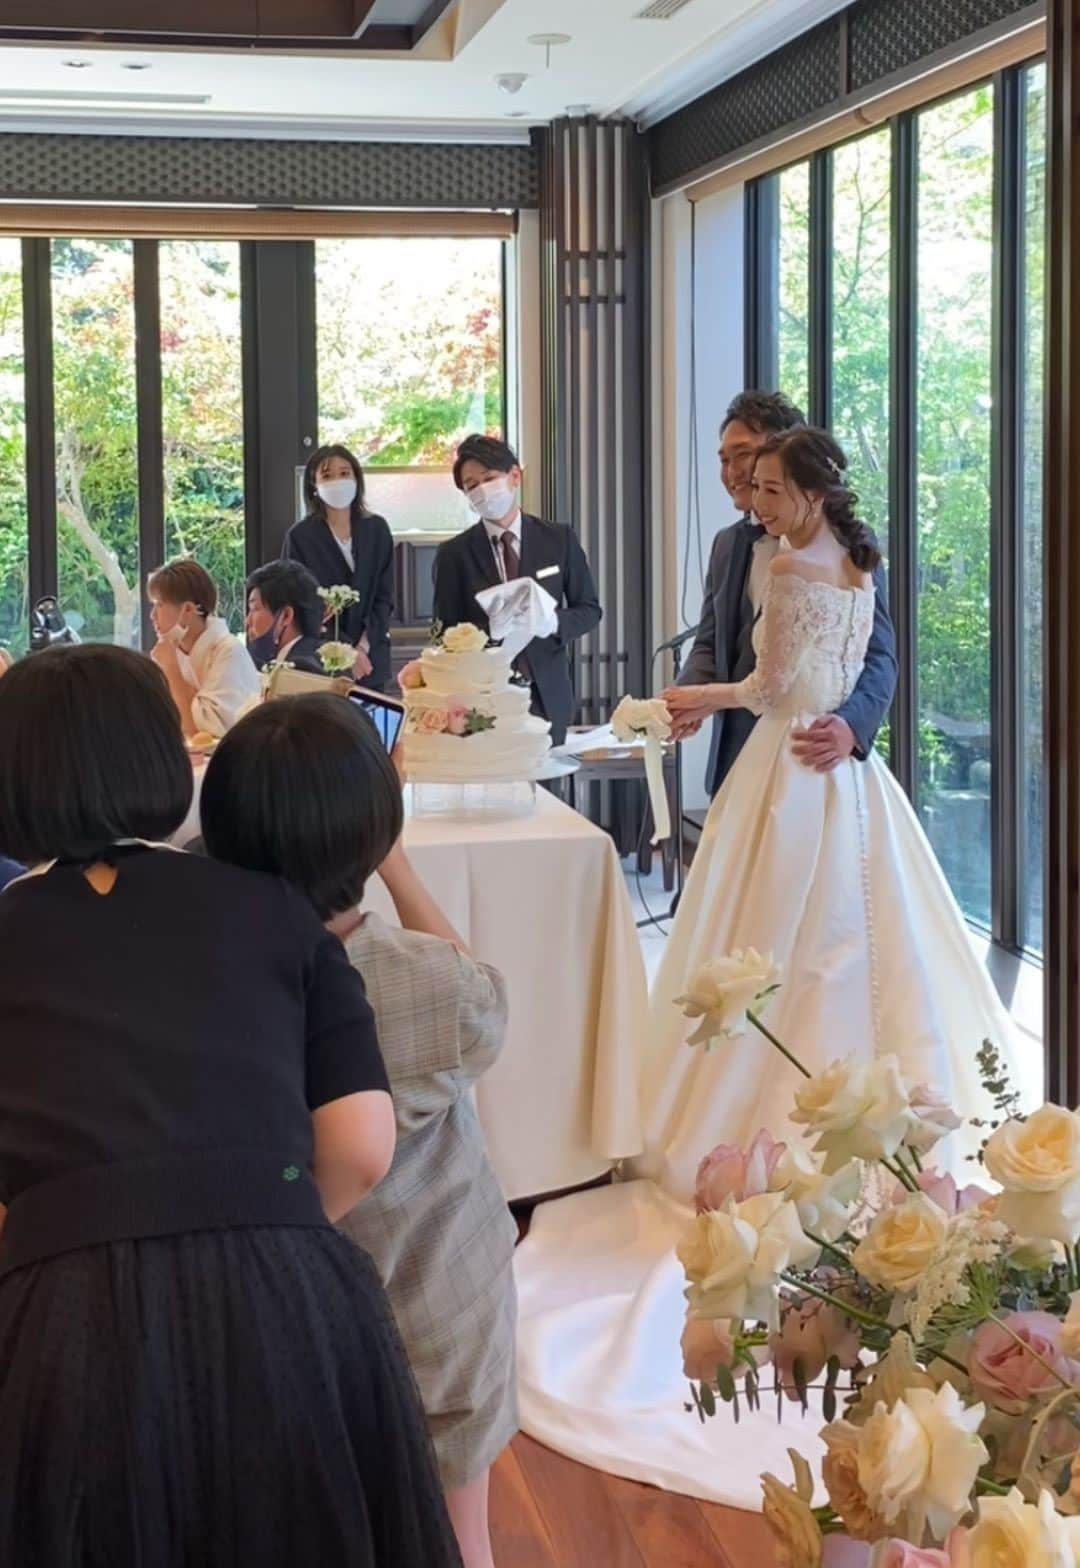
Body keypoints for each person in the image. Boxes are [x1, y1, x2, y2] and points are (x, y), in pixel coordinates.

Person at [511, 427, 1025, 1503]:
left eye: (768, 483)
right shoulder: (854, 556)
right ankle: (884, 1119)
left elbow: (781, 681)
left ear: (803, 488)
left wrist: (704, 700)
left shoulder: (794, 562)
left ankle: (773, 1117)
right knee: (844, 942)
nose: (753, 499)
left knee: (777, 942)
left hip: (794, 772)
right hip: (847, 793)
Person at [0, 645, 463, 1567]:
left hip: (62, 1310)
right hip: (285, 1286)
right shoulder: (271, 909)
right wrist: (269, 1218)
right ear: (169, 762)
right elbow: (363, 1145)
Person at [201, 695, 517, 1568]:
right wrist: (403, 871)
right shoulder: (428, 984)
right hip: (440, 1308)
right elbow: (483, 998)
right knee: (461, 1537)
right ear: (377, 829)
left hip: (283, 1319)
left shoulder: (209, 978)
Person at [667, 389, 897, 788]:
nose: (733, 472)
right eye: (723, 459)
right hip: (740, 758)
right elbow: (710, 641)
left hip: (814, 754)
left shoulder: (851, 546)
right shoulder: (727, 544)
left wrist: (851, 726)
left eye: (744, 454)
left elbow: (879, 654)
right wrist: (687, 701)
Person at [432, 434, 601, 745]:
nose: (481, 490)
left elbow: (589, 610)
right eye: (471, 485)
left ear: (514, 476)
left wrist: (551, 622)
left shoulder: (558, 539)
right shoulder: (453, 554)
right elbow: (445, 632)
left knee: (546, 789)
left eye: (489, 478)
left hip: (547, 693)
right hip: (484, 698)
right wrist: (487, 632)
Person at [283, 445, 395, 688]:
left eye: (345, 473)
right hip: (323, 659)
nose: (337, 481)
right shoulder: (300, 537)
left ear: (357, 478)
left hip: (372, 657)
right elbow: (302, 603)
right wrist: (345, 653)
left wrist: (363, 647)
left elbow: (384, 597)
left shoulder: (377, 529)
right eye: (327, 475)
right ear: (314, 485)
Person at [148, 557, 259, 739]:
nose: (153, 616)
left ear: (188, 610)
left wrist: (171, 669)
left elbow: (203, 733)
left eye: (159, 605)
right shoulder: (171, 652)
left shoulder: (229, 651)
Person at [246, 558, 328, 675]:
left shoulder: (302, 669)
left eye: (255, 609)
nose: (247, 621)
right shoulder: (311, 655)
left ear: (286, 616)